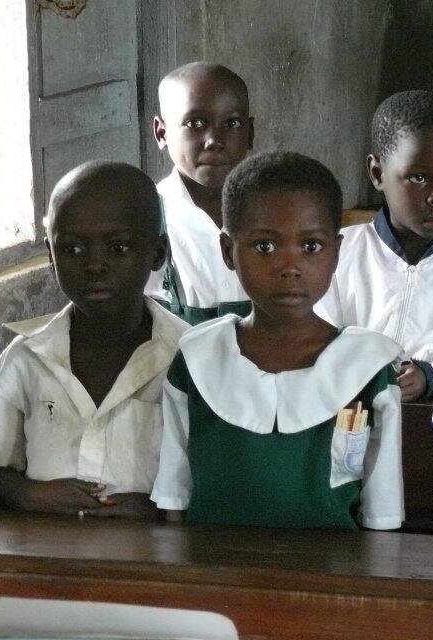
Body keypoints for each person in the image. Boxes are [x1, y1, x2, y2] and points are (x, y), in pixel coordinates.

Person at [151, 153, 404, 530]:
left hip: (330, 575)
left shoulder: (367, 367)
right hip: (215, 574)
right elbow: (175, 494)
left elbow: (382, 513)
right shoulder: (199, 357)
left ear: (336, 252)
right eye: (265, 247)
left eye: (311, 247)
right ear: (227, 251)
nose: (290, 267)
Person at [0, 162, 188, 518]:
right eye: (73, 250)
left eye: (119, 247)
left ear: (157, 254)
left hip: (156, 559)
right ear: (50, 256)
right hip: (47, 557)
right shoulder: (27, 358)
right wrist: (29, 496)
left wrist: (160, 509)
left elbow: (219, 473)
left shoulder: (188, 356)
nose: (95, 265)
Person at [315, 91, 433, 402]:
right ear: (377, 173)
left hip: (432, 428)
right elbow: (316, 328)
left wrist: (429, 371)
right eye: (420, 177)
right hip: (347, 415)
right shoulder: (341, 251)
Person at [146, 61, 255, 323]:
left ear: (250, 133)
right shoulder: (147, 220)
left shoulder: (276, 214)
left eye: (232, 123)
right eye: (195, 123)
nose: (214, 140)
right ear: (162, 133)